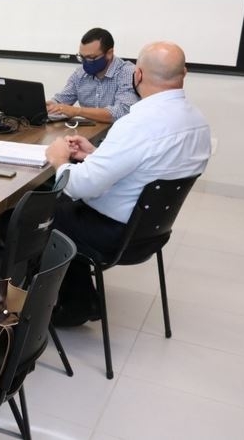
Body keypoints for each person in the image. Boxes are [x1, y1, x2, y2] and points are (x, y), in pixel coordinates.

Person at [45, 41, 210, 326]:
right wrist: (95, 156)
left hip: (112, 234)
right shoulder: (198, 121)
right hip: (151, 231)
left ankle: (72, 303)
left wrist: (60, 159)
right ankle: (80, 298)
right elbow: (150, 168)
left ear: (138, 75)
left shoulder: (138, 123)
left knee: (40, 211)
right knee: (61, 208)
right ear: (184, 73)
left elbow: (79, 186)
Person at [46, 27, 139, 123]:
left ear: (109, 53)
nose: (85, 62)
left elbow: (122, 112)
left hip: (118, 131)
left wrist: (78, 111)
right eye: (82, 57)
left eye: (91, 57)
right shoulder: (80, 73)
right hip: (89, 131)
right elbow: (62, 100)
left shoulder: (127, 72)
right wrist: (51, 105)